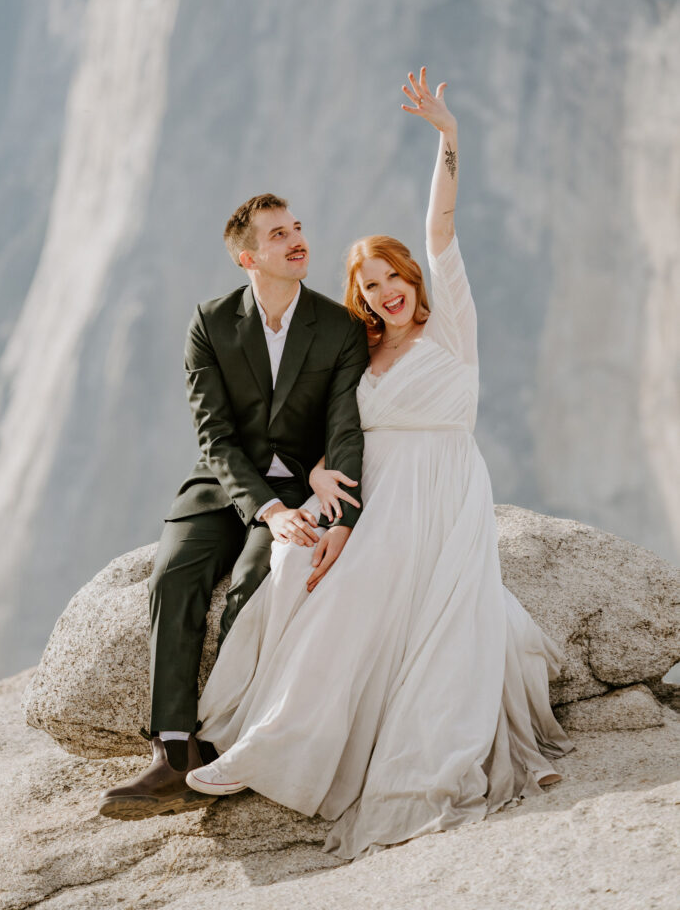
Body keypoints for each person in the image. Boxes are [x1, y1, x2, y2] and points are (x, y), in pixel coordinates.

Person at [184, 68, 575, 860]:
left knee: (363, 593)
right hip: (372, 489)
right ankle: (264, 742)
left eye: (394, 276)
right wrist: (324, 480)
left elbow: (442, 230)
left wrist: (448, 139)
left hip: (441, 491)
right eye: (370, 284)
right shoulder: (359, 354)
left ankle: (283, 749)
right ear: (359, 297)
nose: (388, 290)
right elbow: (340, 428)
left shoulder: (451, 328)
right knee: (303, 574)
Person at [98, 193, 369, 820]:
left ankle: (230, 741)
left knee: (255, 580)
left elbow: (346, 429)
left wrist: (343, 516)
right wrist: (267, 509)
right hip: (221, 486)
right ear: (248, 256)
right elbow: (214, 436)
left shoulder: (338, 328)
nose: (297, 239)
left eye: (298, 227)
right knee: (173, 575)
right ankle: (173, 752)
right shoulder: (211, 323)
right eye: (279, 235)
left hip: (305, 487)